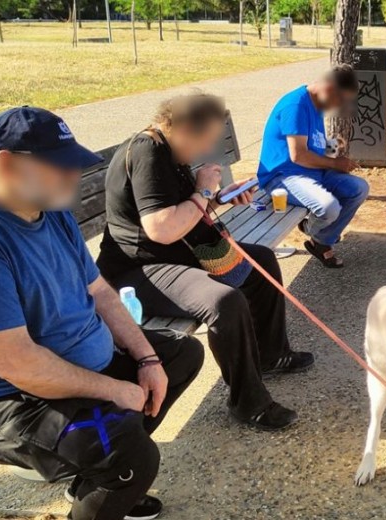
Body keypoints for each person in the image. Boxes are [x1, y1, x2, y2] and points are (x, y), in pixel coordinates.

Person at [0, 106, 206, 520]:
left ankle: (95, 481)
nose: (73, 177)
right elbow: (18, 364)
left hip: (62, 367)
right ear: (6, 163)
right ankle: (112, 477)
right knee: (132, 457)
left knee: (180, 355)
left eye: (74, 165)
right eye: (59, 167)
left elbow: (101, 293)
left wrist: (146, 358)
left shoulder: (50, 211)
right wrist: (117, 391)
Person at [97, 92, 313, 432]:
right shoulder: (147, 152)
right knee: (224, 302)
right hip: (138, 269)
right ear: (180, 127)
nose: (204, 151)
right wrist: (205, 192)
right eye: (204, 141)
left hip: (176, 254)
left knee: (261, 260)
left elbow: (184, 215)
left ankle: (271, 355)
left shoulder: (168, 149)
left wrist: (220, 199)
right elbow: (162, 228)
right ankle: (248, 403)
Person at [257, 66, 370, 268]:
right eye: (341, 99)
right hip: (283, 176)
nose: (341, 105)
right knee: (328, 207)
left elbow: (314, 146)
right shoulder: (296, 105)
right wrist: (336, 163)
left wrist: (333, 149)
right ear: (329, 87)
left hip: (311, 173)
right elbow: (298, 155)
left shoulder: (316, 105)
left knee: (359, 188)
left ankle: (320, 241)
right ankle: (312, 230)